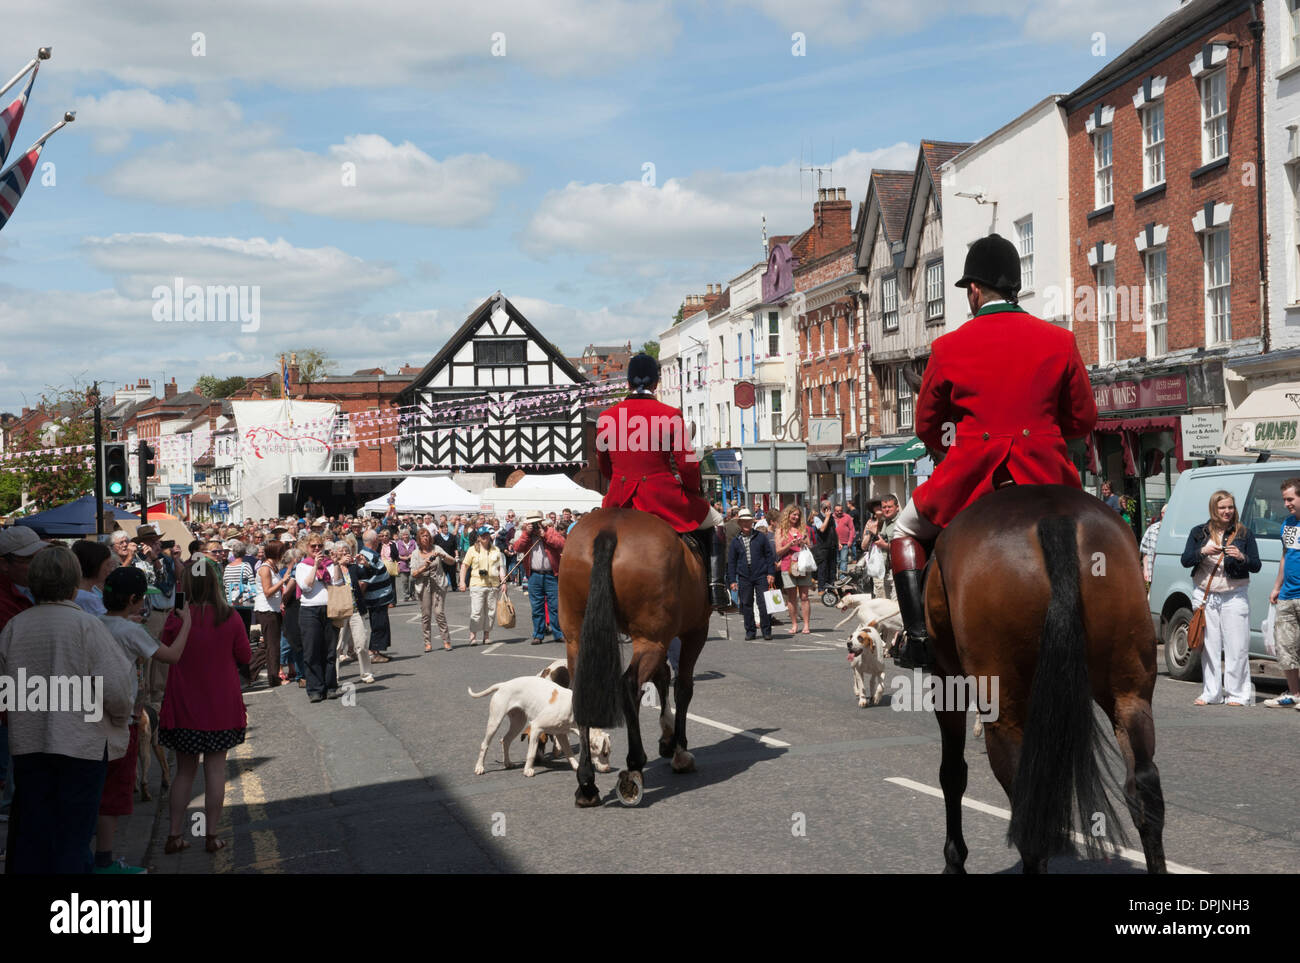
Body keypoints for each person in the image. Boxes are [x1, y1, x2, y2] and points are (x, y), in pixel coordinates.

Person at [888, 233, 1099, 669]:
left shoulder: (948, 347)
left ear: (974, 290)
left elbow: (927, 424)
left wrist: (950, 446)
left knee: (902, 531)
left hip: (973, 474)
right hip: (1047, 475)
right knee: (1103, 540)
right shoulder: (1060, 341)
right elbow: (1083, 420)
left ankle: (918, 639)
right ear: (1014, 287)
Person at [0, 545, 135, 873]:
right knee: (73, 838)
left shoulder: (14, 628)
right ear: (74, 581)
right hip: (81, 746)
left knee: (35, 835)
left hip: (29, 747)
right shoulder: (86, 626)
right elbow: (117, 690)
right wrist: (119, 719)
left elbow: (5, 692)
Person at [595, 352, 724, 608]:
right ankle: (717, 589)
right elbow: (687, 463)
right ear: (656, 384)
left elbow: (603, 465)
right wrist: (692, 490)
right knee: (717, 520)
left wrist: (620, 480)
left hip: (619, 498)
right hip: (661, 497)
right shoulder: (670, 415)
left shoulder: (606, 417)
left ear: (628, 383)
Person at [96, 566, 192, 873]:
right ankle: (105, 860)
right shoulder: (132, 630)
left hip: (91, 715)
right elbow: (172, 656)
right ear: (135, 599)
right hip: (125, 718)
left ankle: (93, 856)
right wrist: (187, 622)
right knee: (113, 793)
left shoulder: (94, 622)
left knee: (96, 787)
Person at [158, 556, 251, 854]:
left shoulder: (176, 619)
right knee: (215, 770)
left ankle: (174, 835)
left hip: (184, 705)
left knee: (184, 773)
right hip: (220, 706)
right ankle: (211, 836)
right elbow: (246, 657)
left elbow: (165, 647)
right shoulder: (230, 616)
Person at [1180, 489, 1261, 707]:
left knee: (1238, 646)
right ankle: (1211, 693)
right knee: (1209, 647)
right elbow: (1186, 560)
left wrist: (1241, 556)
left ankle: (1237, 694)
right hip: (1206, 595)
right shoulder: (1199, 532)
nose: (1227, 511)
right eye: (1222, 507)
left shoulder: (1244, 533)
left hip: (1234, 594)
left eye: (1230, 507)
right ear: (1214, 509)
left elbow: (1256, 564)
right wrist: (1203, 551)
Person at [1265, 478, 1300, 708]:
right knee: (1285, 646)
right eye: (1285, 499)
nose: (1287, 503)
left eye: (1291, 499)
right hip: (1288, 595)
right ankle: (1295, 694)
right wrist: (1277, 586)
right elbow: (1285, 556)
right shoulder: (1287, 524)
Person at [512, 510, 566, 645]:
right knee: (537, 607)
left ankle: (558, 633)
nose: (535, 525)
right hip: (534, 575)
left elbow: (562, 544)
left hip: (551, 575)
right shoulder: (526, 535)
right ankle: (538, 634)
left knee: (554, 606)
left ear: (541, 521)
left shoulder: (550, 531)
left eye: (537, 522)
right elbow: (517, 547)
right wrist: (526, 534)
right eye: (532, 523)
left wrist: (545, 535)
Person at [295, 534, 339, 703]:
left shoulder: (328, 564)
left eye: (319, 546)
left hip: (329, 608)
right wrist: (315, 566)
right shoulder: (302, 566)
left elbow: (337, 583)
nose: (316, 549)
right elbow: (306, 587)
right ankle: (315, 689)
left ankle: (330, 686)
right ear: (307, 548)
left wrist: (334, 564)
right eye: (313, 546)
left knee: (329, 650)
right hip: (309, 611)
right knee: (312, 651)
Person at [328, 541, 375, 685]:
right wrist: (339, 563)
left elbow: (369, 573)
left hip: (355, 610)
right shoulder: (330, 567)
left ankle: (366, 673)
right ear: (335, 552)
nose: (345, 553)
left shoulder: (353, 568)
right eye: (342, 550)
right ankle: (333, 676)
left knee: (361, 643)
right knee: (337, 646)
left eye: (347, 550)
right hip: (340, 611)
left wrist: (365, 563)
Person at [727, 508, 777, 640]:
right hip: (744, 576)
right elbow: (731, 562)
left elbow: (769, 556)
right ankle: (750, 631)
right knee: (746, 604)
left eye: (748, 522)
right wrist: (732, 580)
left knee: (763, 603)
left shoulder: (760, 537)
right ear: (740, 523)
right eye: (743, 522)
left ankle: (766, 631)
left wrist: (771, 573)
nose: (746, 524)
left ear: (751, 522)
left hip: (761, 575)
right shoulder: (736, 541)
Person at [253, 540, 292, 688]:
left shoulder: (273, 566)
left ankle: (247, 673)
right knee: (273, 646)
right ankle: (274, 678)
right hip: (266, 610)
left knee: (267, 646)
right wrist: (282, 581)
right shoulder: (265, 568)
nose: (283, 555)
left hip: (273, 610)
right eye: (282, 552)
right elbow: (268, 591)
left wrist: (290, 567)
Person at [411, 527, 454, 652]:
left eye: (428, 535)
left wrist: (442, 555)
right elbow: (413, 573)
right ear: (419, 539)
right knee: (426, 615)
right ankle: (427, 643)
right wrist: (425, 566)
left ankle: (446, 641)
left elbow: (451, 562)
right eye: (423, 536)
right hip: (423, 585)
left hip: (438, 584)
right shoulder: (415, 553)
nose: (426, 538)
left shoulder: (437, 548)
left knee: (439, 613)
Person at [461, 526, 505, 646]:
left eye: (487, 535)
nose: (485, 537)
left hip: (493, 585)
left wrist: (503, 581)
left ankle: (486, 635)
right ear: (478, 538)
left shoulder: (496, 550)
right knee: (477, 611)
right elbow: (464, 566)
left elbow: (500, 567)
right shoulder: (472, 550)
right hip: (477, 584)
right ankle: (473, 635)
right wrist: (462, 581)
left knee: (491, 611)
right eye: (482, 536)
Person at [356, 530, 396, 662]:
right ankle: (373, 653)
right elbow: (362, 581)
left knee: (381, 623)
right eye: (378, 538)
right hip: (375, 598)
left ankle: (376, 651)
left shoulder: (370, 554)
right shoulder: (365, 556)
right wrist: (359, 599)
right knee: (379, 624)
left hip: (380, 597)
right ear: (375, 541)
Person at [774, 504, 813, 635]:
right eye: (794, 514)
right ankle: (794, 624)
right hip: (787, 565)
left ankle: (806, 625)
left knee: (804, 596)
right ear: (788, 515)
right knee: (791, 597)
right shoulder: (781, 530)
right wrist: (789, 545)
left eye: (798, 515)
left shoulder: (803, 529)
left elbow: (810, 545)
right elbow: (778, 551)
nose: (796, 517)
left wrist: (804, 542)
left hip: (802, 565)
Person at [71, 539, 114, 615]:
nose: (110, 569)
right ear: (95, 565)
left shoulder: (90, 590)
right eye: (107, 564)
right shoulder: (87, 598)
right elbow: (106, 623)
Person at [810, 500, 839, 590]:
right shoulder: (817, 518)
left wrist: (839, 542)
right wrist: (826, 517)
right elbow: (822, 529)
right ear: (824, 508)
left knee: (832, 568)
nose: (830, 510)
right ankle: (821, 589)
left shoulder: (831, 518)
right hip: (823, 548)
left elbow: (835, 530)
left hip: (832, 546)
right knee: (823, 568)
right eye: (828, 507)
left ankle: (831, 587)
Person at [1139, 505, 1165, 588]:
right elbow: (1145, 551)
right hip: (1153, 574)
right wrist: (1145, 570)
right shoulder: (1152, 529)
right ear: (1163, 514)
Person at [395, 527, 418, 602]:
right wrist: (402, 558)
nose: (405, 536)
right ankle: (406, 595)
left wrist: (412, 555)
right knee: (404, 581)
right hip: (402, 564)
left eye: (406, 534)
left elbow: (417, 551)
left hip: (412, 563)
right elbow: (396, 554)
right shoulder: (398, 543)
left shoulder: (413, 542)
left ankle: (412, 594)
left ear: (409, 535)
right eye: (403, 535)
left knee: (412, 580)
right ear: (401, 536)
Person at [834, 503, 856, 573]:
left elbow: (852, 529)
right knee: (836, 560)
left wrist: (850, 540)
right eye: (837, 511)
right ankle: (835, 575)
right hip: (834, 543)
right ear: (834, 511)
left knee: (844, 560)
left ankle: (842, 576)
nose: (839, 512)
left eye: (841, 510)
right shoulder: (831, 517)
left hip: (845, 542)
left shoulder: (847, 517)